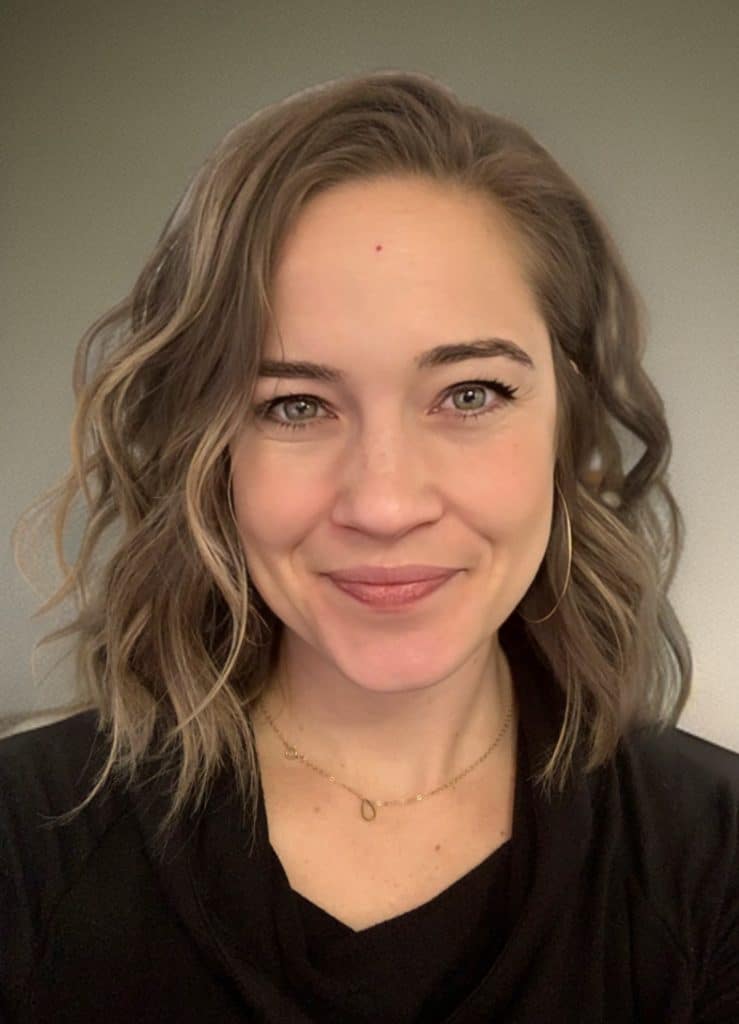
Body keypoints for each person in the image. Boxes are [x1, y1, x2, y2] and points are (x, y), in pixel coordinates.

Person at [1, 69, 737, 1024]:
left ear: (571, 425)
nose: (384, 503)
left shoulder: (715, 864)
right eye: (294, 405)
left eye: (470, 394)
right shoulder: (21, 843)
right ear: (206, 450)